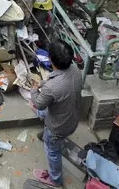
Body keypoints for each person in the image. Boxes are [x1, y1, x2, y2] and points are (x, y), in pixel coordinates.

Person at [31, 41, 82, 187]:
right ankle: (46, 133)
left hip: (58, 127)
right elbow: (60, 83)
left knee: (52, 152)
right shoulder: (75, 70)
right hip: (72, 117)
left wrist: (34, 89)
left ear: (51, 59)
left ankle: (55, 179)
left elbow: (39, 103)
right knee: (43, 112)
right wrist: (46, 83)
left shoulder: (52, 87)